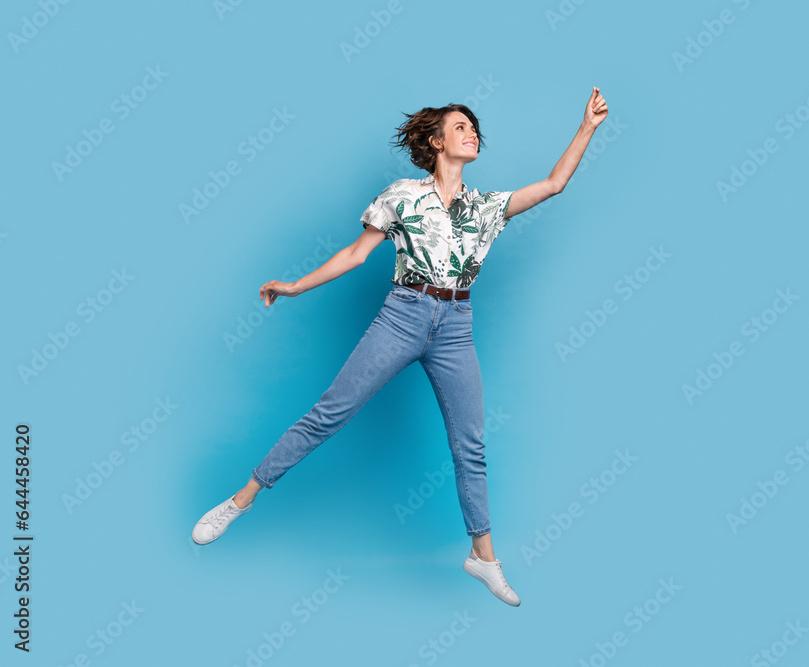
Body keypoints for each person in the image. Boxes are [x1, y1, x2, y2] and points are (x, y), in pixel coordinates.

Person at [191, 87, 610, 606]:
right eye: (460, 127)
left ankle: (483, 558)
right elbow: (355, 253)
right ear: (436, 142)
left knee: (470, 444)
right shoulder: (402, 195)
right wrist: (296, 285)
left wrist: (587, 126)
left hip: (456, 322)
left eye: (473, 128)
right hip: (404, 313)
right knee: (329, 413)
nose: (471, 133)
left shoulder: (486, 208)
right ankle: (241, 499)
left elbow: (553, 184)